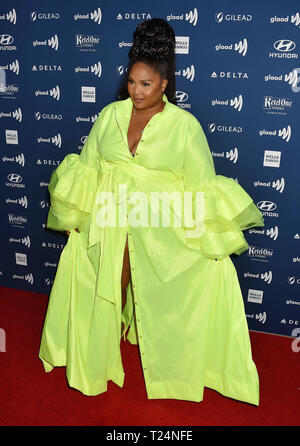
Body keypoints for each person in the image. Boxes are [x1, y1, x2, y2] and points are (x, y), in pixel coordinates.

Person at [39, 18, 264, 405]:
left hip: (158, 223)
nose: (137, 91)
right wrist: (75, 219)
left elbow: (200, 185)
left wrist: (208, 239)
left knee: (187, 280)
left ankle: (175, 359)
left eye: (146, 84)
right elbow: (89, 167)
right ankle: (99, 356)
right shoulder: (110, 116)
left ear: (163, 84)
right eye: (131, 82)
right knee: (105, 282)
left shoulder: (185, 126)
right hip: (109, 217)